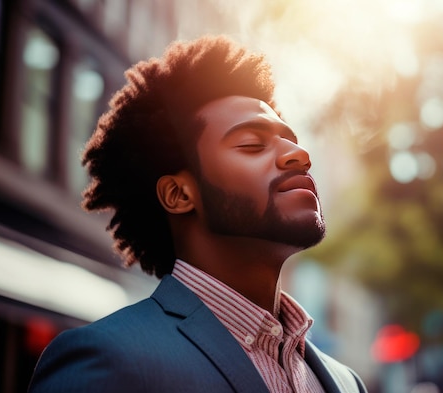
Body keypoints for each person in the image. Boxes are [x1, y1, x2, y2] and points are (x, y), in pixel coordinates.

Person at [28, 35, 367, 393]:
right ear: (178, 195)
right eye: (252, 144)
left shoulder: (346, 383)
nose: (299, 155)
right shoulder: (108, 361)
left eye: (292, 140)